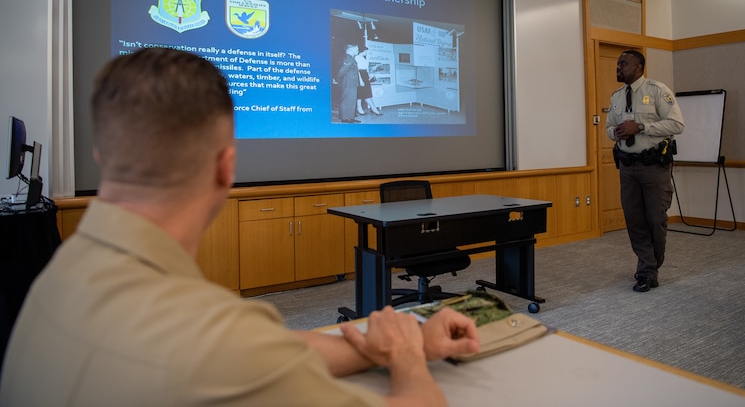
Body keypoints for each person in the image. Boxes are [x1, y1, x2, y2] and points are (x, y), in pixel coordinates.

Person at [0, 48, 479, 406]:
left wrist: (404, 340)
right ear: (226, 167)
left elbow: (270, 352)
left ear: (101, 156)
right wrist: (410, 362)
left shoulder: (54, 278)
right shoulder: (208, 335)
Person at [606, 50, 684, 293]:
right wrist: (616, 132)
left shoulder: (657, 90)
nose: (618, 67)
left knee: (655, 219)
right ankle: (647, 269)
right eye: (618, 63)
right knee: (634, 220)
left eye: (624, 63)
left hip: (654, 166)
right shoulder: (617, 97)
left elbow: (676, 124)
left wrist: (640, 126)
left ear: (639, 66)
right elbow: (608, 127)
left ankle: (651, 265)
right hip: (627, 167)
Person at [335, 43, 361, 123]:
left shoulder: (350, 58)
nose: (358, 51)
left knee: (351, 101)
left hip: (351, 83)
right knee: (347, 101)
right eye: (357, 49)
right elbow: (342, 71)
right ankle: (345, 119)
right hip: (348, 83)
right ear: (351, 50)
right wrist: (337, 79)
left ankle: (350, 117)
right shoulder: (349, 59)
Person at [355, 47, 381, 116]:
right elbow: (357, 70)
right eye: (366, 51)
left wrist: (369, 76)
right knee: (360, 93)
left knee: (367, 93)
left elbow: (365, 69)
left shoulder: (363, 58)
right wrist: (360, 80)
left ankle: (373, 108)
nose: (366, 53)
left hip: (365, 75)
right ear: (362, 51)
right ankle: (359, 108)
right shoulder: (356, 58)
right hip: (360, 75)